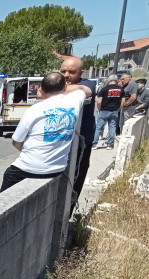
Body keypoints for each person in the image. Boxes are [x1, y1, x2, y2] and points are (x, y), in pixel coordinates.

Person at [0, 72, 91, 192]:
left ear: (41, 89)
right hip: (56, 170)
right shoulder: (75, 100)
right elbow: (87, 90)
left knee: (7, 183)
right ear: (64, 87)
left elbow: (16, 142)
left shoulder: (34, 109)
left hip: (27, 168)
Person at [59, 56, 96, 204]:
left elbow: (87, 91)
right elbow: (40, 92)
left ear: (81, 72)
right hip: (62, 143)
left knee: (75, 180)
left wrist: (57, 88)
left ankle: (68, 215)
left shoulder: (88, 83)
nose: (66, 75)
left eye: (71, 72)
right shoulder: (61, 83)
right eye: (63, 71)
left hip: (81, 143)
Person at [93, 76, 123, 150]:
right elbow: (123, 101)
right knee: (112, 127)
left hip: (104, 110)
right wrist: (119, 108)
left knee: (98, 128)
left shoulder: (104, 89)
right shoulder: (121, 89)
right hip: (115, 110)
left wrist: (99, 109)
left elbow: (99, 101)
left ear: (109, 80)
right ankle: (110, 145)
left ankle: (94, 144)